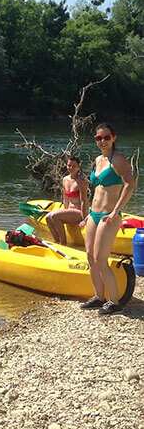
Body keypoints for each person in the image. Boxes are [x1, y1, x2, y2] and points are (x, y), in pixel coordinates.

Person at [80, 123, 135, 315]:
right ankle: (99, 297)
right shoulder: (98, 160)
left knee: (100, 259)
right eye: (98, 138)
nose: (102, 141)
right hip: (94, 215)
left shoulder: (118, 159)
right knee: (90, 257)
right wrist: (87, 214)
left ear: (114, 138)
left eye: (106, 137)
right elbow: (96, 190)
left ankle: (115, 302)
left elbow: (130, 184)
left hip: (108, 217)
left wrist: (115, 212)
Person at [45, 156, 89, 245]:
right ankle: (57, 241)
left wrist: (84, 220)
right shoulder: (65, 179)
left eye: (74, 166)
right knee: (48, 217)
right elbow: (66, 198)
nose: (71, 168)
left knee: (55, 216)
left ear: (78, 167)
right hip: (69, 210)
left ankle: (63, 243)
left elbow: (84, 200)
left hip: (79, 212)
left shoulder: (81, 181)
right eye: (69, 165)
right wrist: (64, 211)